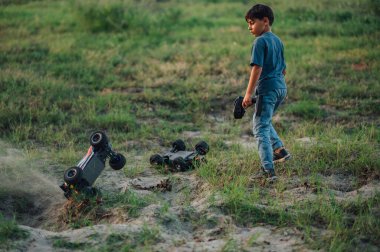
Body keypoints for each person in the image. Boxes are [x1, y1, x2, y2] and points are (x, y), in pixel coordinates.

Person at [242, 4, 291, 181]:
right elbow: (283, 69)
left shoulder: (260, 41)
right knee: (264, 119)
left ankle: (268, 170)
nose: (249, 27)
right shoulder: (278, 41)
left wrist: (248, 94)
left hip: (268, 88)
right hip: (281, 88)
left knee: (260, 127)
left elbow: (257, 68)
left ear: (265, 21)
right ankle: (280, 151)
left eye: (251, 23)